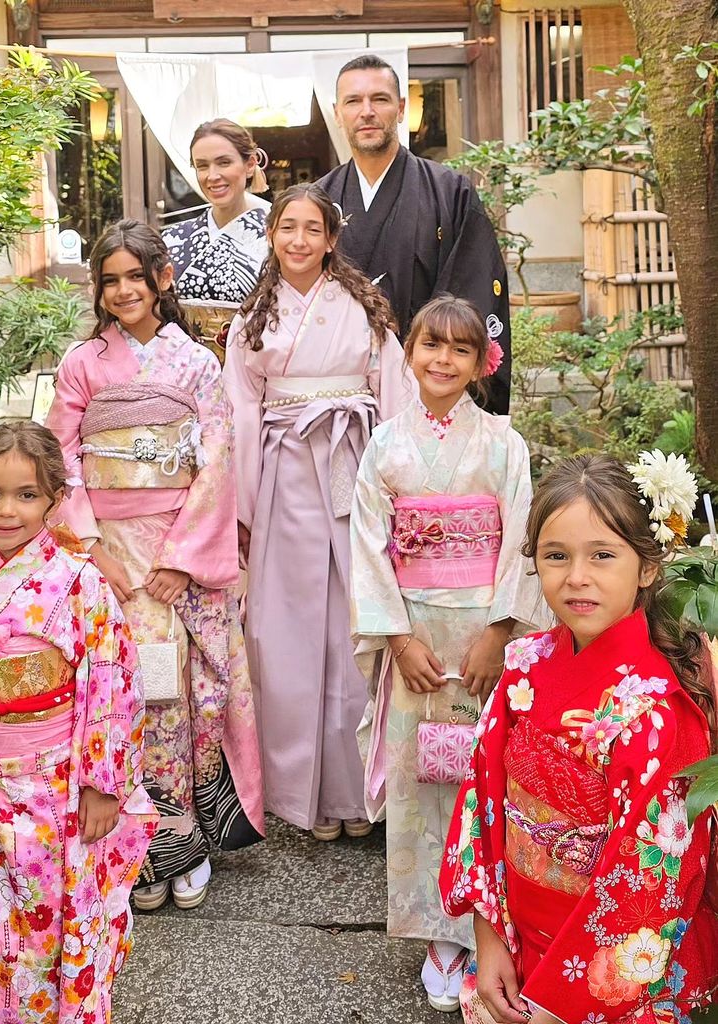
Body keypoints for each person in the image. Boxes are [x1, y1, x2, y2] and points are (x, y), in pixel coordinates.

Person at [440, 452, 718, 1022]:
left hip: (606, 971)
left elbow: (650, 879)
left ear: (645, 567)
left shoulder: (659, 707)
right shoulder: (522, 666)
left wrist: (559, 1002)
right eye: (556, 556)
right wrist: (489, 933)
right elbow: (482, 801)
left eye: (603, 556)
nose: (576, 577)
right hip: (516, 942)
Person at [0, 421, 158, 1023]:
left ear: (54, 499)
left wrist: (102, 785)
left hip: (56, 789)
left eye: (26, 495)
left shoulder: (79, 583)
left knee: (52, 923)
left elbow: (112, 685)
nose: (7, 510)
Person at [46, 219, 265, 913]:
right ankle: (138, 844)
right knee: (125, 696)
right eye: (108, 281)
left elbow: (217, 457)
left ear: (160, 280)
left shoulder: (197, 364)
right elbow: (61, 459)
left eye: (133, 277)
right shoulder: (82, 363)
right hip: (110, 548)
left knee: (186, 697)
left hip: (178, 549)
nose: (120, 291)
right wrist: (91, 549)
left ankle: (189, 841)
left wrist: (181, 560)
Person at [349, 295, 544, 1012]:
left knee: (489, 781)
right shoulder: (385, 445)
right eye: (431, 343)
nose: (442, 359)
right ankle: (438, 930)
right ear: (410, 352)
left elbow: (521, 540)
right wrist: (396, 638)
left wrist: (501, 628)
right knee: (421, 782)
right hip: (417, 640)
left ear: (478, 363)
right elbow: (367, 544)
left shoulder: (501, 443)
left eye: (460, 349)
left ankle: (491, 924)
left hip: (484, 639)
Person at [222, 182, 412, 841]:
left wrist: (399, 488)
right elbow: (240, 414)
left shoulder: (361, 310)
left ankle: (356, 790)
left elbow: (393, 396)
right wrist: (241, 510)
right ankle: (298, 792)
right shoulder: (255, 317)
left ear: (331, 239)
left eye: (312, 229)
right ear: (271, 236)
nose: (298, 239)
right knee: (285, 633)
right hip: (281, 472)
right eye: (287, 228)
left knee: (353, 630)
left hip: (353, 467)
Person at [317, 54, 512, 415]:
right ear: (337, 112)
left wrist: (432, 362)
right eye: (353, 101)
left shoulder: (451, 192)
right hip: (338, 398)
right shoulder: (319, 202)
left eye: (380, 99)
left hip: (429, 389)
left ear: (401, 107)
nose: (367, 112)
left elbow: (472, 291)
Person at [162, 119, 270, 363]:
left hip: (254, 367)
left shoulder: (278, 237)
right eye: (202, 166)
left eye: (224, 163)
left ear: (250, 164)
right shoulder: (173, 238)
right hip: (184, 369)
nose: (213, 176)